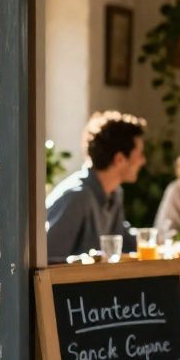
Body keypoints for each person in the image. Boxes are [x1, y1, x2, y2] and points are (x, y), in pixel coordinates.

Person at [45, 111, 146, 264]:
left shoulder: (115, 193)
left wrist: (160, 243)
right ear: (119, 159)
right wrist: (89, 261)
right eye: (139, 154)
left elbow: (123, 240)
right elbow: (46, 258)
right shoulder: (77, 197)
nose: (143, 161)